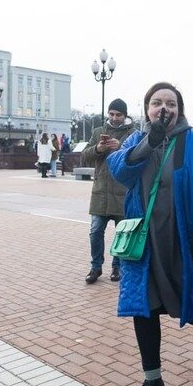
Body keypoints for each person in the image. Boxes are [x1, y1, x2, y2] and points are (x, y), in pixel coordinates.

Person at [107, 82, 193, 386]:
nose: (164, 109)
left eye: (171, 104)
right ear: (147, 109)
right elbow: (119, 171)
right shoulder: (137, 140)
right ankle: (153, 383)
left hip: (185, 244)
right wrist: (150, 142)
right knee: (144, 310)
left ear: (180, 109)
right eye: (157, 103)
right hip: (145, 247)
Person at [81, 98, 136, 284]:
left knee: (122, 233)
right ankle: (96, 267)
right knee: (95, 230)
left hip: (123, 193)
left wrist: (121, 148)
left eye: (118, 114)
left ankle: (117, 267)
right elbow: (85, 157)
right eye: (111, 114)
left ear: (125, 115)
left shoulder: (133, 134)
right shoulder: (98, 132)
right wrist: (98, 148)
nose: (114, 118)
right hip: (101, 192)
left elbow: (139, 158)